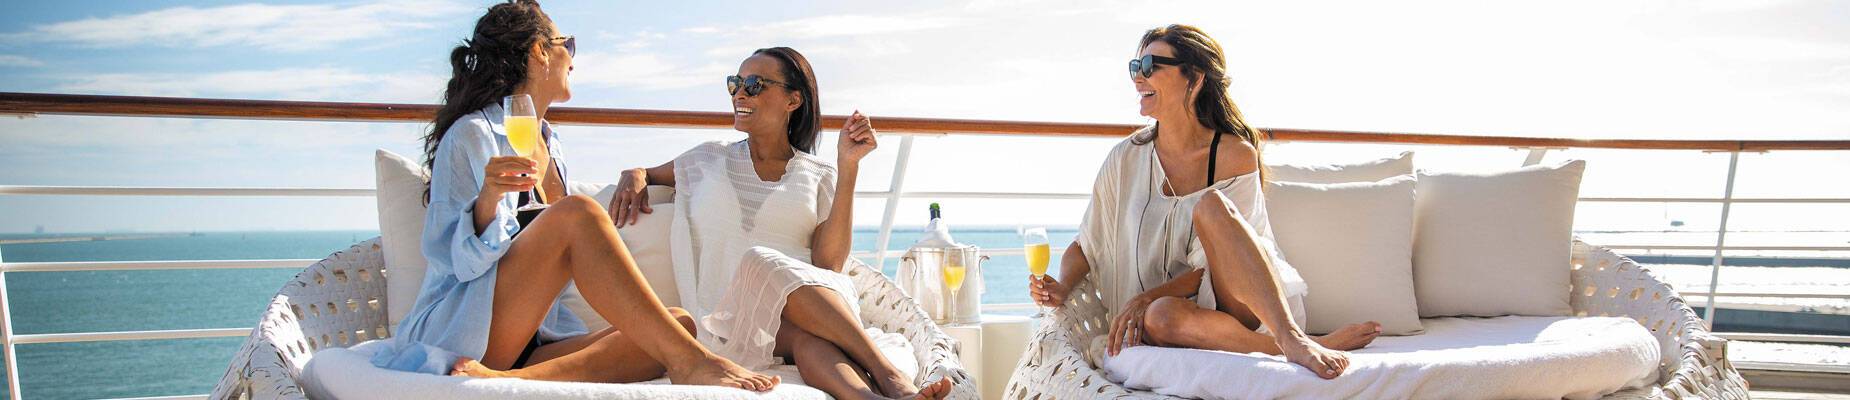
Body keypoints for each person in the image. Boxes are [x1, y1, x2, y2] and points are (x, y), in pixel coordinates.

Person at [375, 0, 777, 390]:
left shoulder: (551, 143)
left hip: (532, 339)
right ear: (539, 51)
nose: (572, 58)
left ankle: (506, 381)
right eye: (566, 44)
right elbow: (454, 262)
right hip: (466, 327)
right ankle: (694, 362)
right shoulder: (473, 134)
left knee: (676, 326)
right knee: (578, 214)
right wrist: (488, 202)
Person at [1027, 24, 1381, 379]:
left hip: (1240, 305)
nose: (1138, 78)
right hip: (1170, 319)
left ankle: (1291, 338)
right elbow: (1086, 245)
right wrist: (1062, 286)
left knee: (1211, 206)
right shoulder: (1124, 159)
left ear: (1194, 79)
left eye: (1150, 66)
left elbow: (1218, 265)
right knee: (1160, 315)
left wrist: (1144, 297)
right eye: (1135, 67)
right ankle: (1309, 344)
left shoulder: (1233, 155)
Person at [610, 47, 952, 399]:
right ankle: (888, 375)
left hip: (811, 313)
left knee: (802, 331)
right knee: (761, 261)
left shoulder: (819, 174)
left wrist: (848, 166)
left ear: (793, 100)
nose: (740, 94)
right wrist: (633, 175)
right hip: (729, 324)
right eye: (735, 84)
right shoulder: (706, 159)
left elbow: (829, 263)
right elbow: (646, 173)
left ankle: (883, 393)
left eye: (754, 85)